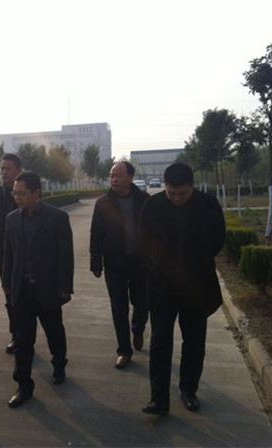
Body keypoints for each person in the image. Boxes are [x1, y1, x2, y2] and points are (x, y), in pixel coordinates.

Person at [139, 162, 225, 415]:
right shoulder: (152, 206)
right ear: (165, 186)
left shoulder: (208, 205)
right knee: (160, 342)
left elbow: (218, 240)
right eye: (171, 193)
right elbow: (143, 240)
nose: (177, 198)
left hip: (196, 287)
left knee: (194, 342)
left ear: (192, 185)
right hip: (162, 287)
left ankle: (189, 389)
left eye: (182, 193)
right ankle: (158, 399)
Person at [1, 171, 74, 408]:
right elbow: (8, 254)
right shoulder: (12, 219)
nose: (17, 198)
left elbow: (65, 255)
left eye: (22, 193)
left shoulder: (57, 218)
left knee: (54, 331)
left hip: (48, 288)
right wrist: (7, 283)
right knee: (23, 339)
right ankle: (23, 385)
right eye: (14, 193)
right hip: (22, 289)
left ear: (37, 193)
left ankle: (59, 364)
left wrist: (64, 286)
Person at [90, 161, 149, 369]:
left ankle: (138, 329)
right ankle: (124, 350)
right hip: (114, 263)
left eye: (118, 176)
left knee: (142, 303)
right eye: (111, 175)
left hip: (141, 263)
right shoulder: (103, 203)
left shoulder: (145, 201)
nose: (113, 179)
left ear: (130, 177)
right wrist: (96, 262)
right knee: (118, 308)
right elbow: (96, 234)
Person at [0, 153, 23, 354]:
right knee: (10, 296)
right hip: (4, 255)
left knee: (27, 298)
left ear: (18, 170)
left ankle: (26, 334)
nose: (4, 172)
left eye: (8, 168)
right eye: (2, 168)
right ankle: (16, 335)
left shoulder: (27, 193)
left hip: (27, 255)